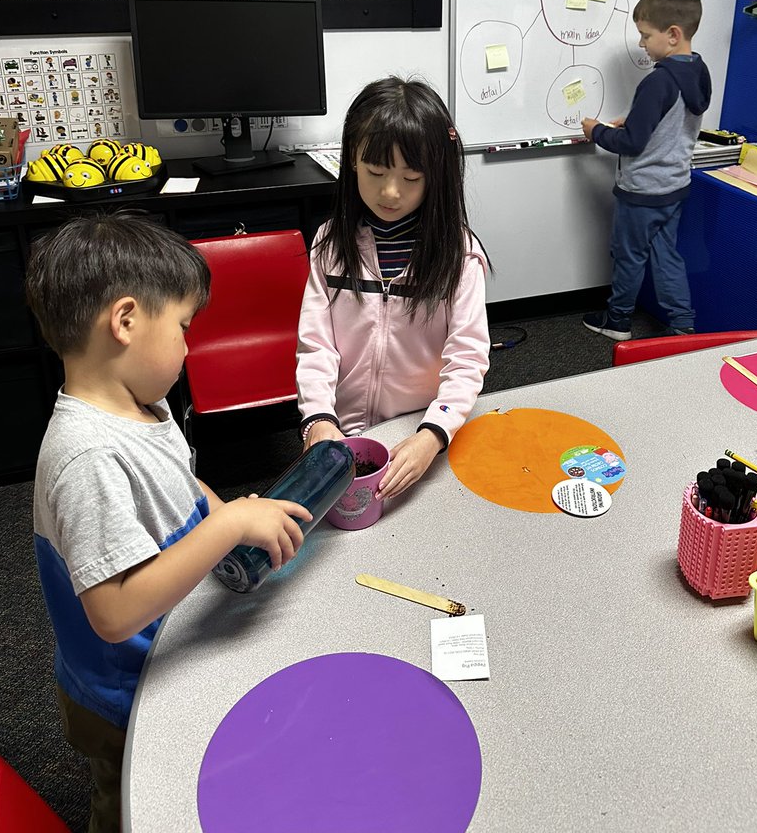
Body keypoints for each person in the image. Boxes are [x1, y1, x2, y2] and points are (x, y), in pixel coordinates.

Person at [26, 213, 312, 833]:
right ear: (126, 321)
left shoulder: (144, 403)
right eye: (183, 328)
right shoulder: (86, 458)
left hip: (169, 649)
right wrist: (227, 527)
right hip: (122, 693)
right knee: (133, 802)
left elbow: (181, 480)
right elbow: (113, 613)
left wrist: (225, 512)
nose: (188, 347)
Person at [296, 76, 490, 498]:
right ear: (352, 159)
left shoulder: (459, 255)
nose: (390, 191)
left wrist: (433, 434)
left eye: (411, 177)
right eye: (376, 172)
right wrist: (319, 418)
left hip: (421, 430)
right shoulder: (330, 244)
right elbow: (316, 346)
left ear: (435, 175)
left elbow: (467, 359)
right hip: (345, 429)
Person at [580, 0, 712, 341]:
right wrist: (636, 117)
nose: (641, 43)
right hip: (674, 185)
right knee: (667, 255)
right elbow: (669, 119)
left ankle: (618, 321)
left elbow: (631, 143)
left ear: (673, 34)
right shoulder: (697, 71)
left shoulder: (658, 82)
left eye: (645, 35)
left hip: (642, 191)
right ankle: (683, 323)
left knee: (629, 256)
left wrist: (595, 131)